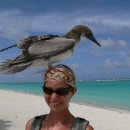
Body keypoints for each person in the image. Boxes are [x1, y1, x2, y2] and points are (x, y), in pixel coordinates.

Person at [25, 64, 94, 130]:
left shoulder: (84, 128)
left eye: (61, 91)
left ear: (72, 92)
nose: (53, 97)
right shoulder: (32, 125)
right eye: (48, 90)